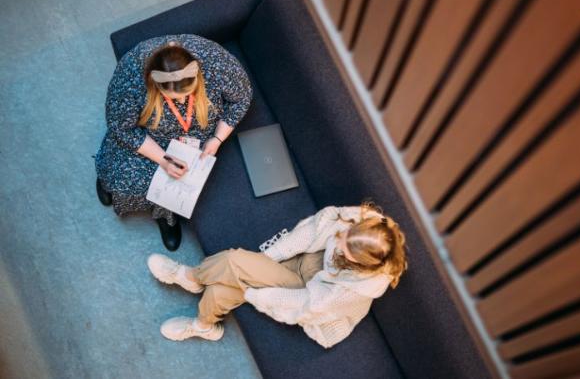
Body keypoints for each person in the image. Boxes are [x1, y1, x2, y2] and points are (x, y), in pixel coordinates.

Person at [146, 203, 408, 348]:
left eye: (347, 249)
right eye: (346, 237)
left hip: (308, 293)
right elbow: (309, 233)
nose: (340, 240)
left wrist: (255, 293)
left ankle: (192, 277)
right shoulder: (360, 223)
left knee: (234, 260)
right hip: (304, 262)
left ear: (361, 265)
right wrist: (266, 260)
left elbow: (305, 304)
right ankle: (205, 327)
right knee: (225, 285)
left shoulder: (352, 291)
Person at [94, 34, 252, 251]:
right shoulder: (131, 74)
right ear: (153, 82)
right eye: (172, 96)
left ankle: (165, 215)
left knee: (179, 183)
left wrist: (217, 139)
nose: (180, 101)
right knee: (126, 179)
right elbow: (121, 126)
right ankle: (107, 181)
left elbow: (241, 98)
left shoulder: (215, 62)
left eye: (187, 93)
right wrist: (163, 159)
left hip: (197, 131)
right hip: (148, 135)